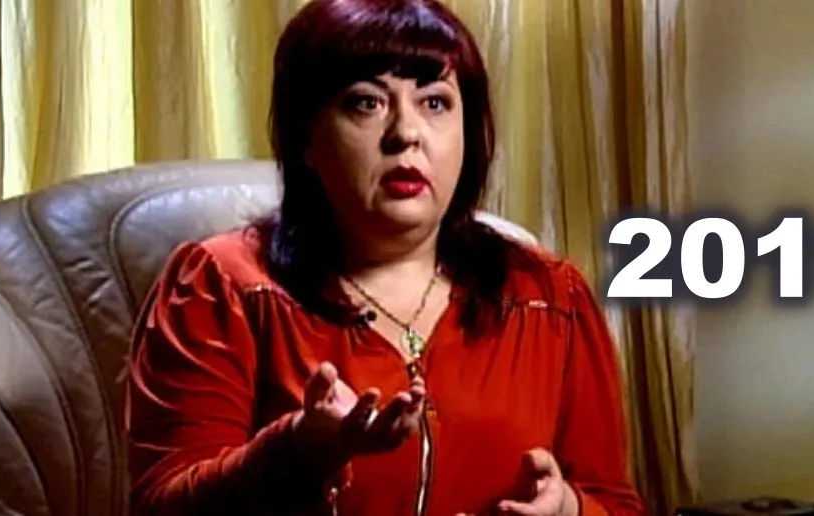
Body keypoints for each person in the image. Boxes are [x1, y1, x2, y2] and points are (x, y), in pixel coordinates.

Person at [124, 0, 645, 514]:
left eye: (435, 103)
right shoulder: (223, 286)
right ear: (306, 137)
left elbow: (616, 504)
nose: (406, 134)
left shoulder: (549, 296)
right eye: (366, 103)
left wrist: (570, 508)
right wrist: (298, 448)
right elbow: (161, 505)